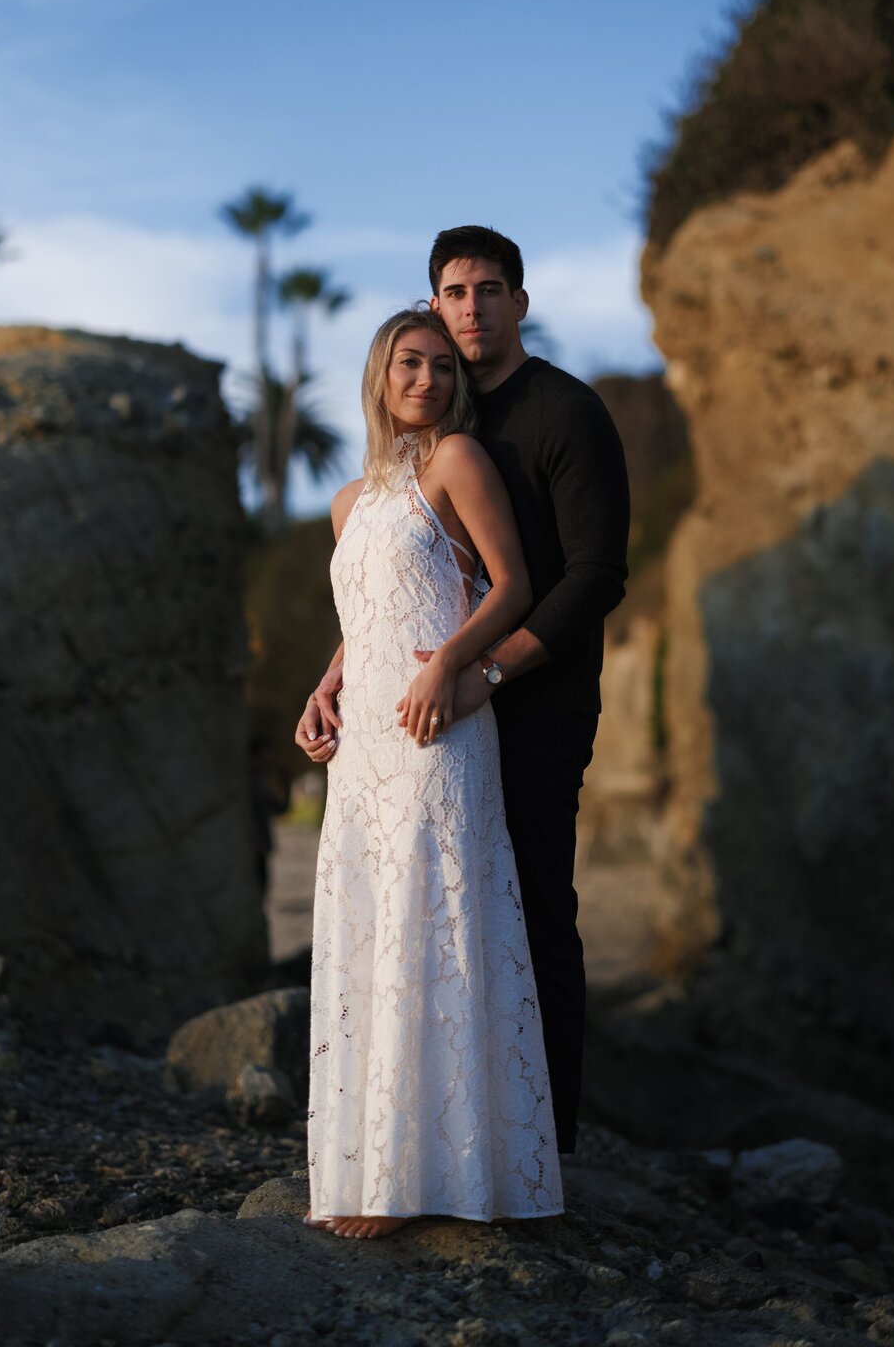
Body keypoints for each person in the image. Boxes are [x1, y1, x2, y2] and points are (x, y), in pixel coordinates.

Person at [298, 226, 630, 1158]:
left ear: (519, 302)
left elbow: (594, 574)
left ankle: (540, 1144)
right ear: (432, 304)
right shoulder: (427, 444)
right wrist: (331, 683)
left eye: (490, 290)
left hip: (539, 697)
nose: (473, 308)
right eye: (455, 292)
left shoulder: (564, 413)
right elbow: (397, 590)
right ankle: (436, 1133)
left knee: (530, 911)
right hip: (421, 713)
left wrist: (481, 670)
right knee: (438, 915)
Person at [298, 306, 563, 1240]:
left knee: (432, 919)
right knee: (370, 923)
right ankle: (372, 1161)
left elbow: (512, 586)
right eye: (409, 364)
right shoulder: (348, 501)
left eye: (442, 367)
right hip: (363, 740)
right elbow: (364, 608)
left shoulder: (459, 462)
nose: (427, 381)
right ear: (379, 375)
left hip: (434, 730)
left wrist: (450, 666)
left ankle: (424, 1177)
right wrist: (322, 690)